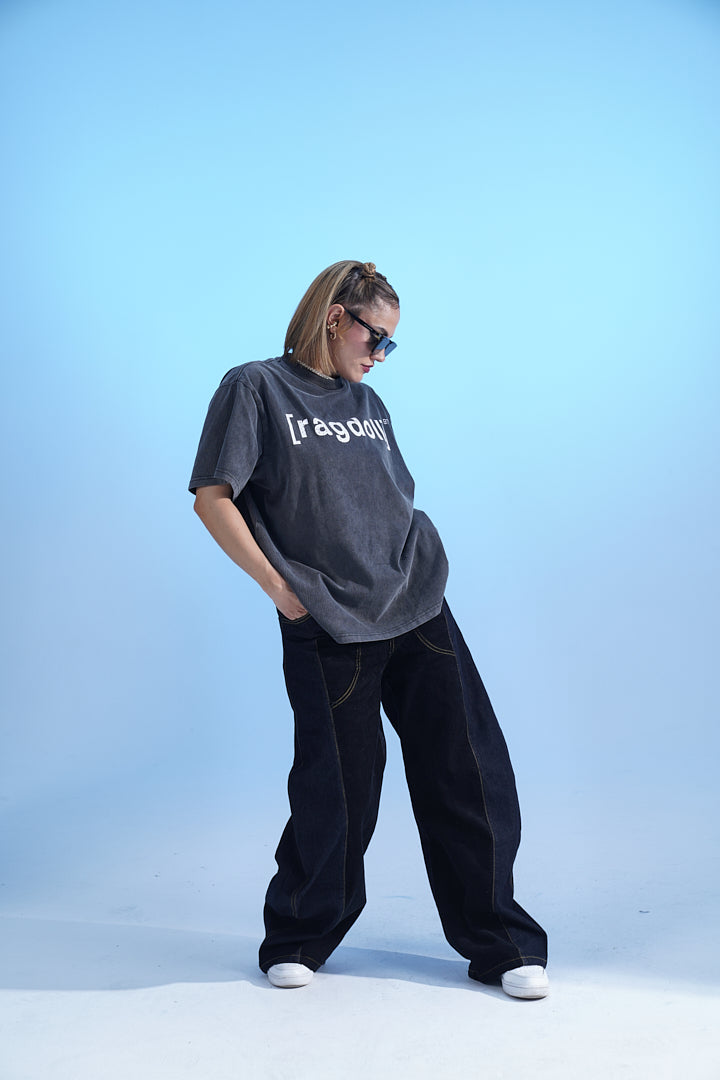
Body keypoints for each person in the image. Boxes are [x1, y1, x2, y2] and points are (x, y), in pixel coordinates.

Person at [189, 260, 549, 999]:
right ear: (334, 317)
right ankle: (299, 935)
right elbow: (213, 497)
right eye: (374, 337)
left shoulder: (368, 401)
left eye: (390, 343)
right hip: (328, 618)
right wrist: (280, 589)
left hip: (418, 605)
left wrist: (421, 556)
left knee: (470, 773)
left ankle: (503, 945)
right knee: (339, 788)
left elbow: (386, 495)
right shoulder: (256, 387)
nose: (381, 354)